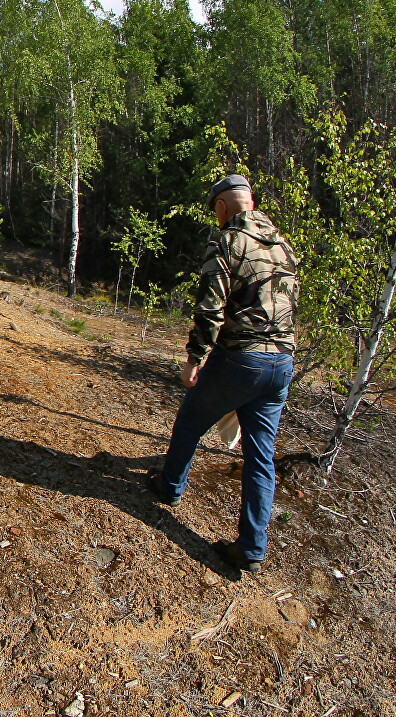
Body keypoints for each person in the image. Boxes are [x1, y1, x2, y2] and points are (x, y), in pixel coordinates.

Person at [149, 174, 299, 575]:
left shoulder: (228, 241)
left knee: (191, 420)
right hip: (282, 363)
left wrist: (195, 357)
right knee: (260, 458)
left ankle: (170, 486)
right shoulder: (283, 245)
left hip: (241, 360)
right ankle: (251, 548)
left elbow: (210, 306)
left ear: (222, 206)